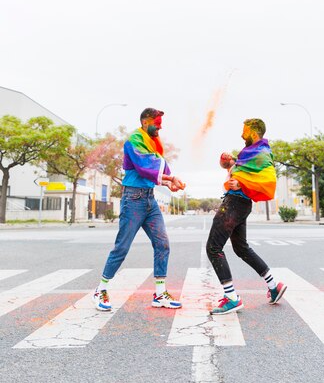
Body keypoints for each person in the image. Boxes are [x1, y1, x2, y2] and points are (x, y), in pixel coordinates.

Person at [93, 108, 186, 311]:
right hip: (133, 199)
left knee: (162, 244)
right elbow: (146, 166)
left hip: (149, 200)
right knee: (122, 247)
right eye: (157, 123)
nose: (160, 127)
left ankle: (160, 294)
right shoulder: (134, 140)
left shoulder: (149, 141)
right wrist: (170, 178)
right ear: (145, 122)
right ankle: (101, 290)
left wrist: (169, 183)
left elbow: (153, 171)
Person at [206, 118, 287, 314]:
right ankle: (273, 286)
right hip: (241, 204)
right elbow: (243, 172)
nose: (242, 135)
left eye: (244, 131)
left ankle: (231, 298)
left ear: (253, 132)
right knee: (241, 248)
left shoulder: (260, 152)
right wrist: (230, 164)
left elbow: (266, 179)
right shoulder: (251, 152)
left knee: (213, 247)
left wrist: (240, 183)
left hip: (234, 204)